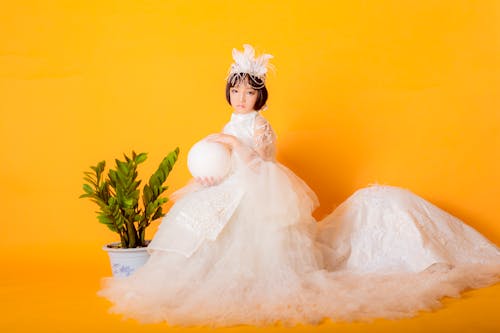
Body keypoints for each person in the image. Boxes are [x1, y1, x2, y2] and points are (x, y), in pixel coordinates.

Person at [97, 44, 500, 327]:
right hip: (228, 187)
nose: (241, 97)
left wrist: (234, 144)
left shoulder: (259, 126)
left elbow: (259, 163)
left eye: (248, 91)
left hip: (256, 188)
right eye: (235, 90)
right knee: (204, 231)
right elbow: (222, 161)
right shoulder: (230, 122)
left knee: (257, 244)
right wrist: (209, 172)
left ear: (260, 95)